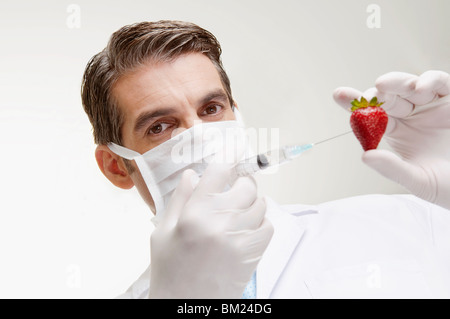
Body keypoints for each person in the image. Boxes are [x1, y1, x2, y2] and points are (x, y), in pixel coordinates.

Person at [81, 20, 450, 299]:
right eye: (160, 127)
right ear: (117, 166)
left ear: (237, 118)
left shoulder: (408, 222)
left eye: (211, 109)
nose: (199, 137)